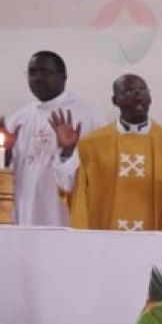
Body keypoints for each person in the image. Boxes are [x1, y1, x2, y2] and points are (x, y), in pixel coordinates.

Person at [59, 73, 162, 231]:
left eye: (142, 90)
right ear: (115, 100)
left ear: (150, 98)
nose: (137, 95)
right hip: (105, 239)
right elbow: (69, 188)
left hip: (155, 244)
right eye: (129, 91)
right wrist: (68, 152)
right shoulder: (91, 145)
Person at [0, 51, 103, 226]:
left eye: (45, 72)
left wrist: (67, 152)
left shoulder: (88, 115)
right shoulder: (18, 119)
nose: (37, 78)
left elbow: (97, 173)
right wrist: (6, 152)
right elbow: (6, 173)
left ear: (64, 77)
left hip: (65, 213)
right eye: (32, 72)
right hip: (27, 211)